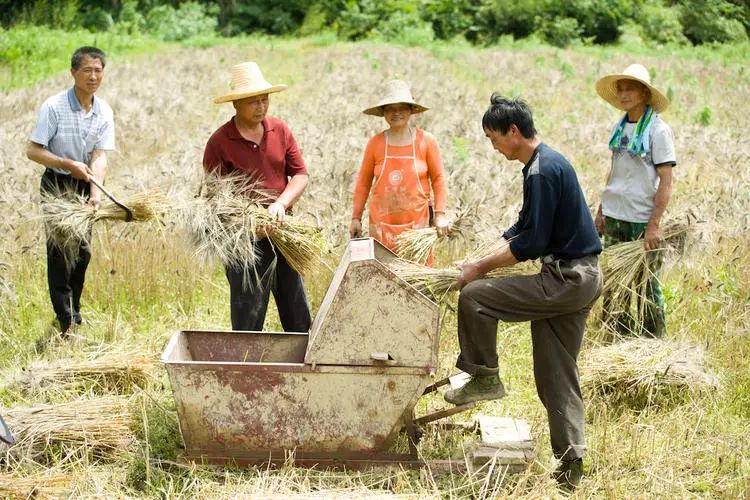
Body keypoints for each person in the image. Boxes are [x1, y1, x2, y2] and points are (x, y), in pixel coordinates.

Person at [444, 95, 602, 490]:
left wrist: (478, 269)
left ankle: (484, 376)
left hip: (566, 279)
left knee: (476, 297)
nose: (493, 147)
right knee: (555, 374)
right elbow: (523, 225)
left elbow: (533, 242)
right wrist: (483, 252)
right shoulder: (542, 163)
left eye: (493, 137)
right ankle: (572, 463)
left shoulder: (541, 171)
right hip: (579, 276)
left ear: (513, 132)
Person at [203, 61, 311, 332]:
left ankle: (302, 368)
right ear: (236, 104)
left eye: (265, 100)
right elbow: (214, 199)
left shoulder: (280, 130)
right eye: (253, 102)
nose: (261, 107)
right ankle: (246, 367)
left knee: (296, 311)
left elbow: (300, 175)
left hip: (284, 234)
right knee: (248, 315)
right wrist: (249, 225)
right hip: (244, 244)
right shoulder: (220, 142)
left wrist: (281, 204)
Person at [26, 46, 115, 336]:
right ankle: (65, 319)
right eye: (86, 70)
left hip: (85, 183)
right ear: (73, 72)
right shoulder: (54, 107)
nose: (92, 76)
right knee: (60, 253)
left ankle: (74, 310)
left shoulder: (103, 111)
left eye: (98, 70)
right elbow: (33, 151)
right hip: (58, 182)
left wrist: (96, 193)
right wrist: (66, 163)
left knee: (83, 253)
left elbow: (99, 156)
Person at [594, 63, 675, 338]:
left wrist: (654, 224)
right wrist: (601, 210)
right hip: (615, 214)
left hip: (640, 219)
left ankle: (655, 341)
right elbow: (614, 173)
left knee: (646, 283)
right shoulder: (620, 129)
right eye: (621, 89)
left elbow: (666, 180)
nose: (624, 94)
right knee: (613, 279)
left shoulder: (658, 131)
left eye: (630, 89)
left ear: (644, 94)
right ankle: (614, 334)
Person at [349, 79, 448, 261]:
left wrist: (440, 214)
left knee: (417, 278)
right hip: (381, 227)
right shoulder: (375, 143)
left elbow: (439, 179)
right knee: (383, 277)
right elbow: (363, 183)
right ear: (383, 112)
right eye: (390, 108)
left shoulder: (426, 141)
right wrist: (356, 217)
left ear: (410, 110)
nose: (396, 113)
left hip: (417, 227)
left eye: (402, 108)